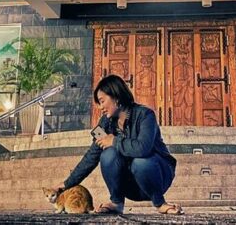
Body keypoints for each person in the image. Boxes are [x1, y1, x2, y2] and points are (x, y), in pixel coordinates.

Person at [52, 74, 183, 215]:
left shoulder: (146, 115)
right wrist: (67, 183)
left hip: (156, 176)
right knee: (107, 154)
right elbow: (92, 155)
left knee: (140, 162)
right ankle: (116, 202)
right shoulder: (104, 123)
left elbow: (143, 148)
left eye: (102, 101)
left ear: (116, 96)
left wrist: (114, 141)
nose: (101, 107)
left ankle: (160, 203)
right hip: (130, 185)